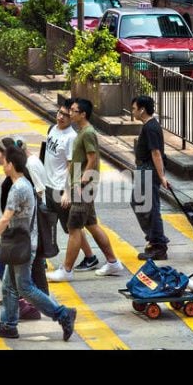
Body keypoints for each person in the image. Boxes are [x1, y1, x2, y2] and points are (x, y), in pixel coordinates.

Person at [0, 143, 78, 341]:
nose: (1, 166)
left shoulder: (19, 188)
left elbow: (5, 219)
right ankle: (9, 325)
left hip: (22, 246)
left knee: (25, 287)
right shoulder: (23, 185)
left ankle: (63, 314)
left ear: (11, 164)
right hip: (21, 244)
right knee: (9, 287)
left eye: (3, 162)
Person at [46, 99, 124, 281]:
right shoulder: (81, 132)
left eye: (73, 111)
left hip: (83, 188)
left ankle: (66, 270)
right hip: (81, 186)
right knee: (91, 224)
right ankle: (113, 263)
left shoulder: (87, 133)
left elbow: (93, 159)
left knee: (73, 228)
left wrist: (81, 183)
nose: (69, 114)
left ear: (83, 114)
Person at [40, 104, 98, 270]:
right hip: (49, 185)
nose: (61, 117)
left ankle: (89, 257)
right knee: (47, 223)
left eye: (66, 115)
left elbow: (72, 166)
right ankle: (43, 257)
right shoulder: (52, 129)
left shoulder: (72, 137)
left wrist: (67, 192)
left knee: (72, 228)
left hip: (60, 188)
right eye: (60, 113)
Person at [131, 95, 170, 261]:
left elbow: (156, 153)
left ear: (142, 110)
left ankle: (158, 243)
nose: (132, 111)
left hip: (149, 171)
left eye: (134, 108)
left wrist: (161, 176)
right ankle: (155, 239)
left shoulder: (150, 128)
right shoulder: (149, 126)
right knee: (140, 204)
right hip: (144, 170)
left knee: (149, 207)